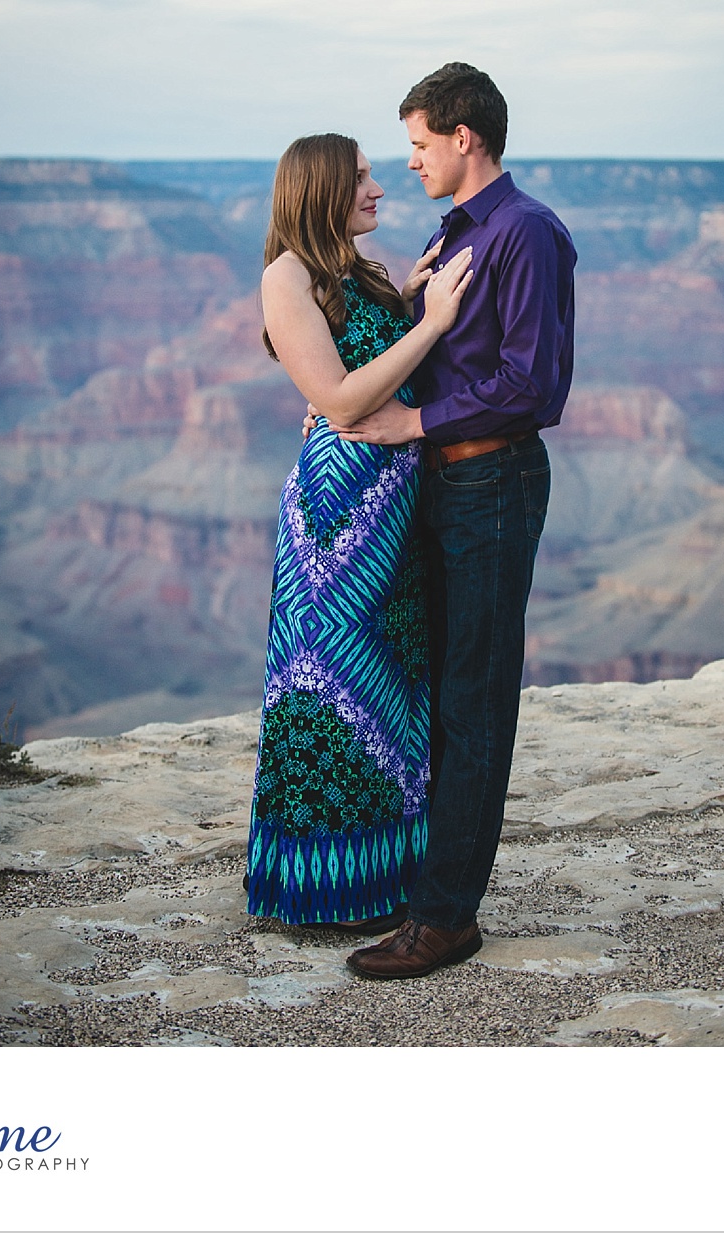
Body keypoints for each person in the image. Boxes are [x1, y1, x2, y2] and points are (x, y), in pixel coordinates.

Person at [330, 63, 576, 978]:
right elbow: (435, 351)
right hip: (442, 485)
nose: (412, 164)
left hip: (492, 484)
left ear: (464, 138)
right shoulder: (456, 233)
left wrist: (413, 420)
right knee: (437, 689)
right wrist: (346, 396)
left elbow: (533, 385)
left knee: (474, 700)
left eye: (420, 145)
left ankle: (446, 920)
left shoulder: (527, 234)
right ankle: (432, 886)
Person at [246, 133, 476, 933]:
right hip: (338, 519)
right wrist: (433, 322)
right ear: (322, 190)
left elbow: (371, 364)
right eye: (363, 178)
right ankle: (323, 887)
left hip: (395, 507)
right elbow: (343, 401)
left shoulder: (357, 271)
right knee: (329, 685)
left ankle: (387, 880)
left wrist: (408, 299)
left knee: (392, 686)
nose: (379, 187)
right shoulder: (288, 276)